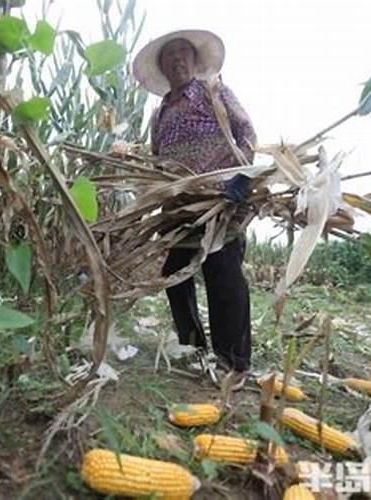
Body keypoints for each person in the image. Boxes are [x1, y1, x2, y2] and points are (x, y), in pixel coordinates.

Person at [133, 30, 256, 389]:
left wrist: (243, 177)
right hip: (180, 206)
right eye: (169, 56)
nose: (177, 60)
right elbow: (156, 159)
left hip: (219, 199)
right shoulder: (159, 114)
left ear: (194, 59)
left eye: (183, 53)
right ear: (163, 68)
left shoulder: (213, 92)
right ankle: (193, 348)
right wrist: (159, 197)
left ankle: (233, 362)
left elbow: (245, 130)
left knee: (223, 273)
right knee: (176, 272)